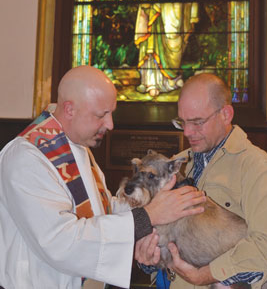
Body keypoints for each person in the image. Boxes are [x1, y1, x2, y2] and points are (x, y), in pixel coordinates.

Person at [0, 65, 206, 289]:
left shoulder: (75, 146)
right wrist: (148, 216)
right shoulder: (27, 158)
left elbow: (101, 208)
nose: (110, 124)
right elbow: (61, 242)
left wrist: (158, 206)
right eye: (101, 115)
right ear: (69, 109)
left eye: (111, 113)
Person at [135, 73, 267, 288]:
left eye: (197, 122)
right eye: (182, 122)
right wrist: (148, 258)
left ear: (225, 114)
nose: (187, 132)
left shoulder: (256, 166)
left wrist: (209, 274)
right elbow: (161, 238)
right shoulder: (175, 164)